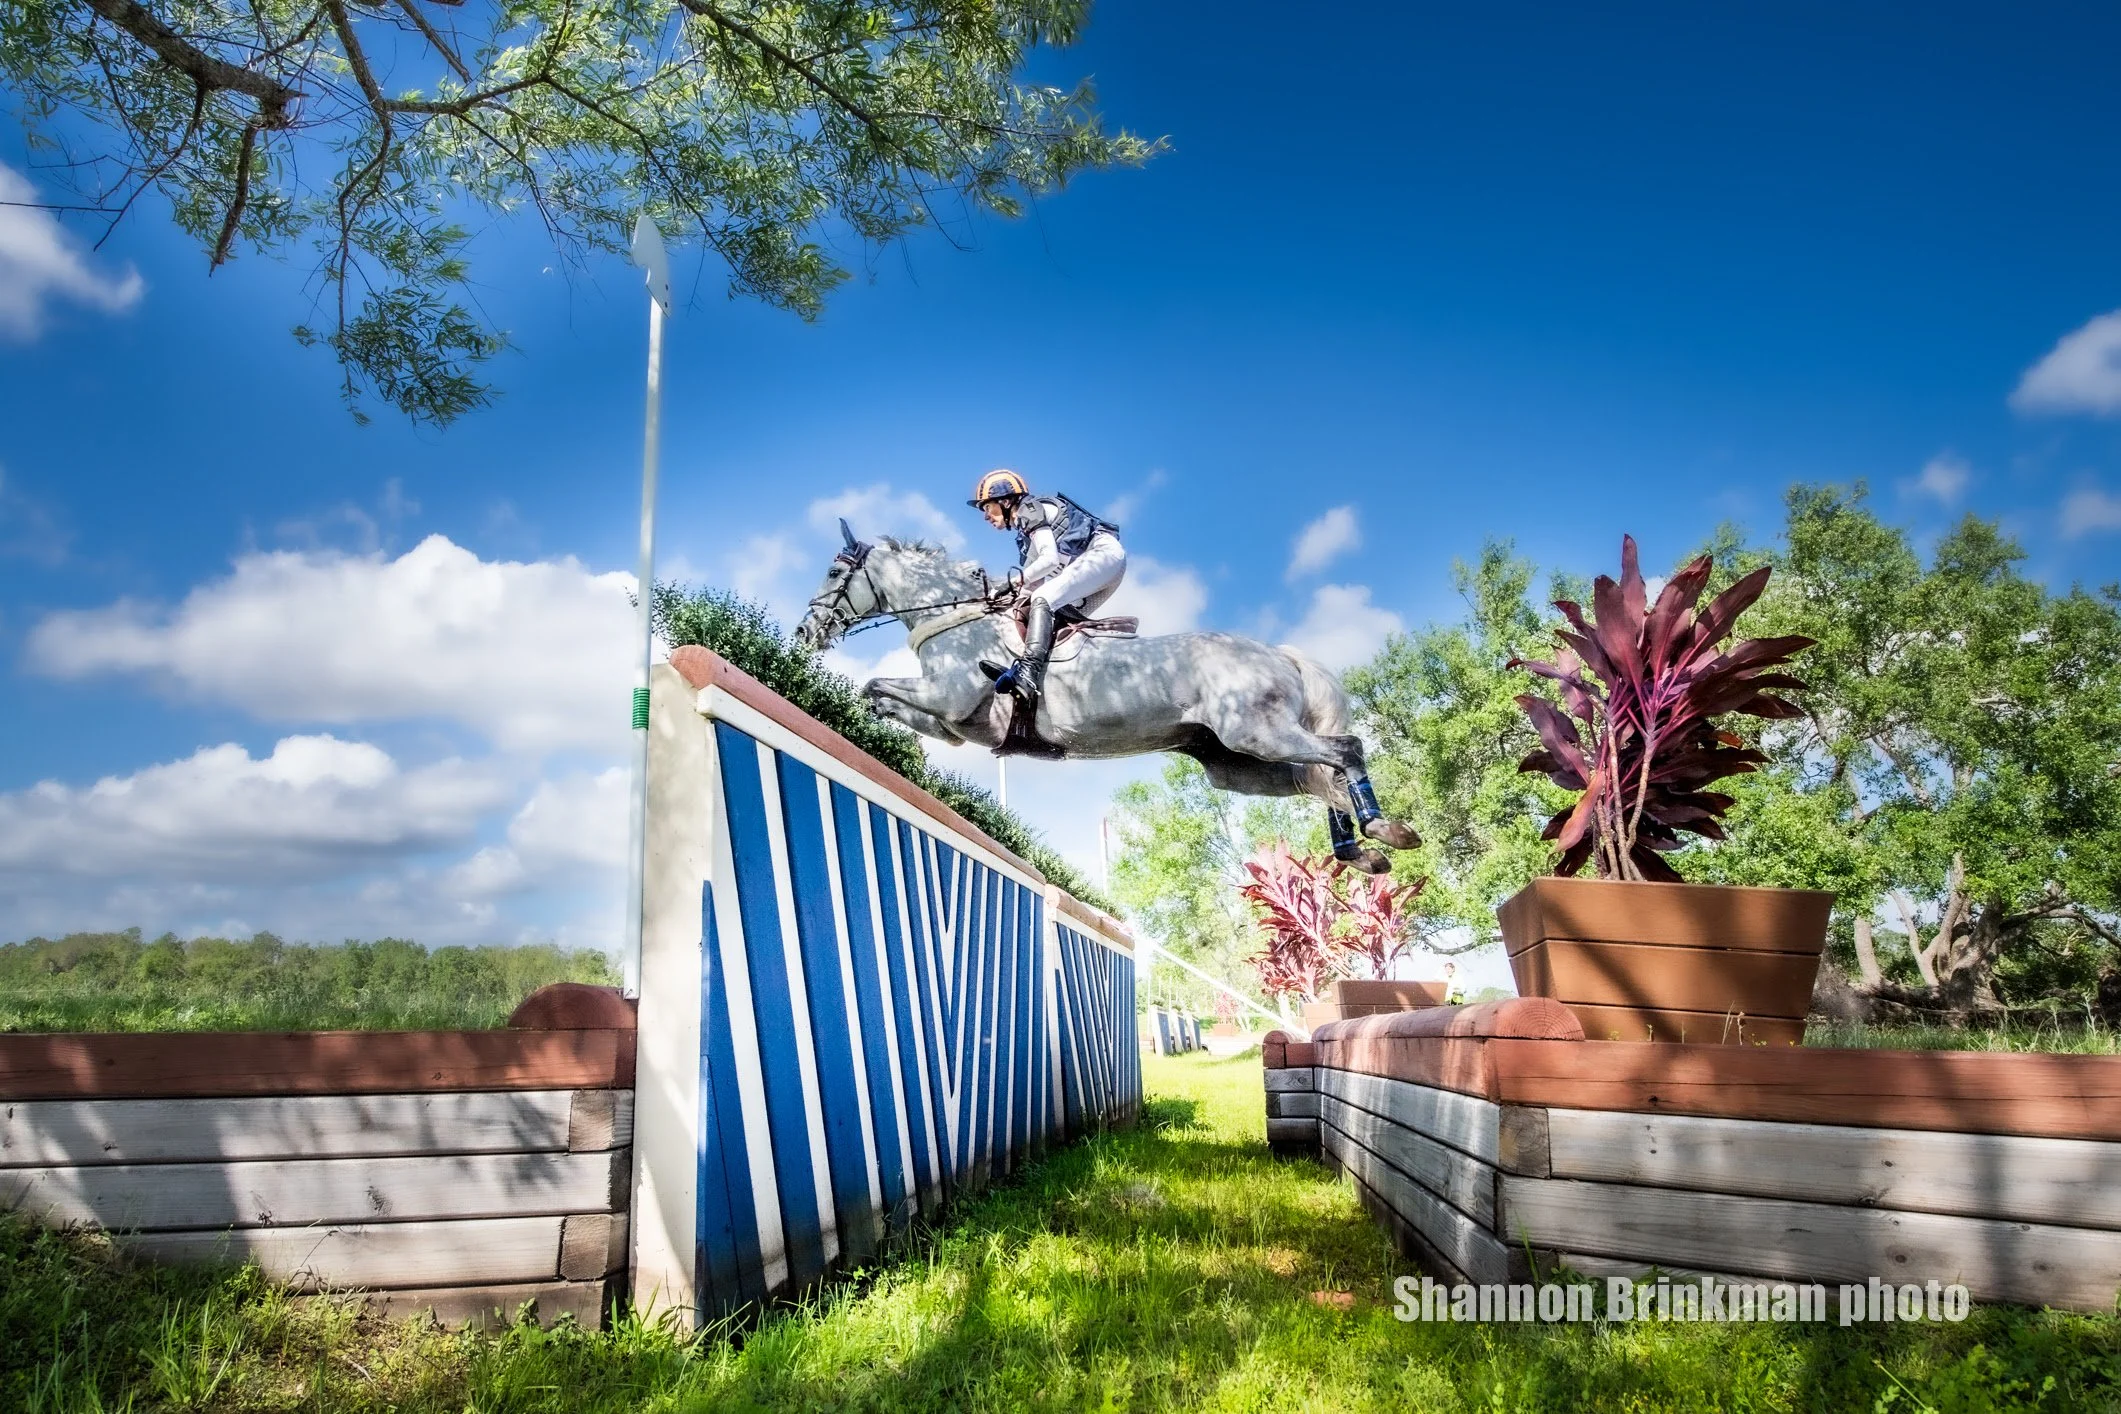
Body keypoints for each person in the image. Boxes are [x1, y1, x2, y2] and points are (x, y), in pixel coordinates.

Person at [967, 469, 1127, 717]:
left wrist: (1010, 585)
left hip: (1102, 556)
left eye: (986, 507)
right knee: (1049, 620)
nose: (985, 516)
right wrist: (998, 598)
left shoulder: (1030, 509)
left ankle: (1027, 674)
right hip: (1103, 567)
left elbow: (1049, 561)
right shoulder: (1026, 533)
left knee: (1042, 600)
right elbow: (1030, 583)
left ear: (1006, 501)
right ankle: (1053, 681)